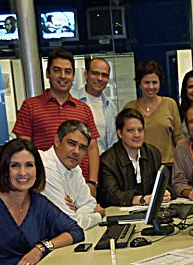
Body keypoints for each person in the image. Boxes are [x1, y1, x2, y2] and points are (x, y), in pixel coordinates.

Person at [12, 48, 101, 194]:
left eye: (68, 71)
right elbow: (23, 149)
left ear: (73, 76)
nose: (63, 76)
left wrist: (92, 182)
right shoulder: (30, 106)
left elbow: (92, 148)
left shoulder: (83, 109)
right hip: (45, 185)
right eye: (57, 70)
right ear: (47, 73)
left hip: (79, 186)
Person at [98, 108, 171, 207]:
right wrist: (141, 199)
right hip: (119, 216)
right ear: (120, 133)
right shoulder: (108, 160)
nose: (137, 135)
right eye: (130, 130)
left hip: (150, 211)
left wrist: (165, 192)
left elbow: (165, 184)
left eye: (140, 130)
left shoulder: (153, 153)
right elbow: (109, 195)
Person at [40, 120, 106, 229]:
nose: (76, 151)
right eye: (71, 143)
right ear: (57, 141)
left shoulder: (74, 168)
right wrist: (99, 215)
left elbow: (90, 203)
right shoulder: (46, 168)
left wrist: (75, 212)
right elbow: (69, 225)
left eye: (82, 148)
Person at [124, 60, 184, 168]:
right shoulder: (129, 107)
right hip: (139, 167)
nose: (151, 87)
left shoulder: (170, 104)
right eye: (146, 82)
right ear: (139, 83)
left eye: (154, 82)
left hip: (167, 166)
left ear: (160, 83)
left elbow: (179, 138)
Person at [74, 57, 118, 154]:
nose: (100, 78)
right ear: (86, 74)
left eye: (104, 75)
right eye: (95, 73)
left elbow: (114, 141)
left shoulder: (111, 106)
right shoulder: (73, 103)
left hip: (107, 164)